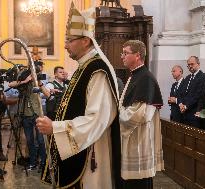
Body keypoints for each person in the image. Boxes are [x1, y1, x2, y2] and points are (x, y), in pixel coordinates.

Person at [36, 3, 121, 189]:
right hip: (82, 145)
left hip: (91, 151)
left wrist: (56, 127)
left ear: (86, 40)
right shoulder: (83, 67)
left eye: (69, 40)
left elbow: (98, 118)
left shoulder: (97, 70)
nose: (65, 46)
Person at [119, 40, 164, 189]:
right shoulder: (134, 76)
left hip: (139, 140)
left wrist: (118, 116)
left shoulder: (146, 78)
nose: (122, 56)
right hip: (133, 138)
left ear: (137, 55)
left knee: (138, 182)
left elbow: (142, 114)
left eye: (126, 53)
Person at [8, 73, 46, 171]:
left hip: (37, 114)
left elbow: (47, 94)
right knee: (30, 141)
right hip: (25, 115)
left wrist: (38, 82)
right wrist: (25, 81)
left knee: (41, 140)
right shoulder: (22, 84)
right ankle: (32, 163)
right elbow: (10, 85)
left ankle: (43, 163)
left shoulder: (38, 82)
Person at [177, 56, 205, 127]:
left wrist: (186, 106)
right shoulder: (187, 78)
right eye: (188, 65)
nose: (190, 66)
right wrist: (180, 104)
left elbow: (198, 95)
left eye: (192, 64)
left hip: (195, 113)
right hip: (184, 113)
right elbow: (180, 93)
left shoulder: (203, 77)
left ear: (198, 64)